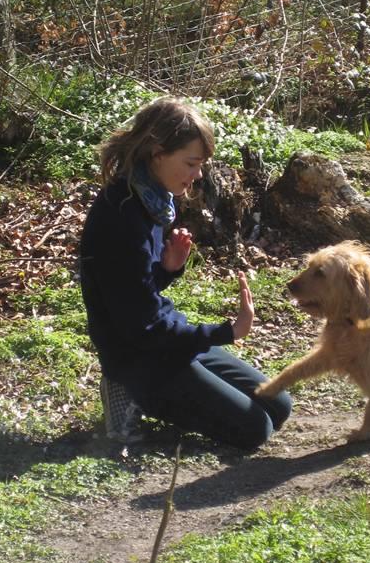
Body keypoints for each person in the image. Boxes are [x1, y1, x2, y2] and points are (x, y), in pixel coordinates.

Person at [79, 96, 292, 450]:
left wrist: (166, 269)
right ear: (157, 153)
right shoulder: (122, 215)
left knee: (278, 404)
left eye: (201, 165)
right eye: (191, 163)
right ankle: (124, 389)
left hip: (160, 342)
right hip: (138, 358)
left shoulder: (150, 198)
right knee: (256, 428)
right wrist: (226, 332)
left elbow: (134, 291)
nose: (199, 175)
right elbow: (141, 326)